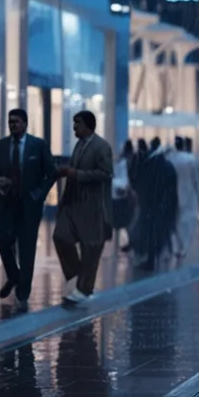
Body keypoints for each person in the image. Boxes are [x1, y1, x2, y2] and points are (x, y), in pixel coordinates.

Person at [0, 109, 57, 307]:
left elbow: (51, 173)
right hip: (6, 204)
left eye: (16, 122)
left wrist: (39, 194)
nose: (13, 125)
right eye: (10, 122)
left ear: (25, 123)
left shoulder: (38, 145)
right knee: (2, 242)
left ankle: (23, 292)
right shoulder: (0, 146)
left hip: (29, 207)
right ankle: (14, 276)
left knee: (27, 249)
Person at [53, 111, 113, 303]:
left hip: (92, 205)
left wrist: (76, 174)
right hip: (73, 203)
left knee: (91, 248)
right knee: (60, 236)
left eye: (77, 123)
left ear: (88, 125)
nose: (74, 127)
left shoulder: (101, 147)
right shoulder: (79, 145)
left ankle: (84, 289)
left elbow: (105, 173)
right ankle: (78, 275)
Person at [133, 140, 178, 269]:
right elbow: (172, 190)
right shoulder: (168, 166)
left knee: (150, 232)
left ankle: (151, 258)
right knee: (160, 232)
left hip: (151, 206)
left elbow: (144, 186)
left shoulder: (150, 165)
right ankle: (157, 255)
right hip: (163, 206)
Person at [167, 137, 199, 259]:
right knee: (187, 221)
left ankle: (177, 245)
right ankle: (184, 246)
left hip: (173, 193)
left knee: (175, 220)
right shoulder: (190, 160)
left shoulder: (170, 158)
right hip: (189, 193)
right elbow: (196, 178)